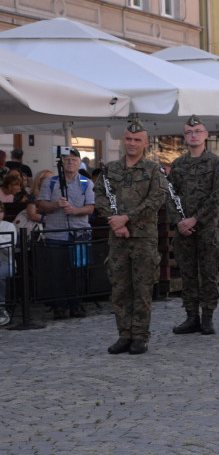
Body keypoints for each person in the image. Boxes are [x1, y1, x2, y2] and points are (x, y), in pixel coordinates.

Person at [95, 120, 168, 354]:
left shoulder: (153, 170)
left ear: (145, 143)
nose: (132, 143)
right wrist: (115, 222)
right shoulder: (111, 169)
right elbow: (100, 197)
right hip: (118, 239)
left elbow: (155, 200)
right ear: (123, 140)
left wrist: (126, 218)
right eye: (128, 139)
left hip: (143, 239)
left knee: (142, 289)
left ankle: (140, 336)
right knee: (120, 289)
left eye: (137, 140)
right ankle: (124, 335)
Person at [167, 115, 219, 337]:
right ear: (185, 137)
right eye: (189, 132)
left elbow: (218, 195)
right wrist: (179, 221)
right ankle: (191, 316)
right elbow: (170, 195)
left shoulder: (215, 163)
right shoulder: (178, 164)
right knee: (187, 274)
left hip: (205, 229)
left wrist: (195, 219)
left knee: (208, 274)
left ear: (206, 135)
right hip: (183, 230)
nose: (193, 135)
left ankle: (207, 317)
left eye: (198, 132)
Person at [35, 148, 95, 319]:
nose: (70, 162)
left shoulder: (86, 183)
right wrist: (56, 205)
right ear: (61, 162)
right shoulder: (50, 182)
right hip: (56, 233)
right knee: (57, 272)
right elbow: (41, 205)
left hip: (79, 234)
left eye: (73, 160)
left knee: (79, 271)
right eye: (67, 159)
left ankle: (76, 305)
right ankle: (59, 306)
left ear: (79, 163)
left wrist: (75, 210)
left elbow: (91, 207)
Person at [0, 201, 16, 327]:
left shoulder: (8, 226)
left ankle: (1, 308)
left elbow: (9, 247)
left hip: (7, 262)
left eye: (0, 211)